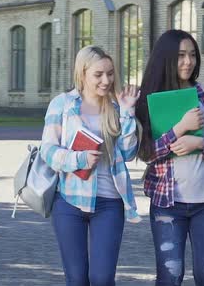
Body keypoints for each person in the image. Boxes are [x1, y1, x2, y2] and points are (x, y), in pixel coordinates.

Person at [135, 30, 204, 286]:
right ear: (166, 59)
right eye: (180, 56)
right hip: (168, 204)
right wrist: (179, 129)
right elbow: (146, 153)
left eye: (192, 55)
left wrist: (200, 143)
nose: (188, 62)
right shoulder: (151, 100)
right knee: (170, 277)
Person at [41, 45, 141, 286]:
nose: (106, 80)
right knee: (76, 279)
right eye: (98, 74)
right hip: (69, 201)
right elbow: (47, 150)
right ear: (82, 73)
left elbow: (128, 154)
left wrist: (128, 112)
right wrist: (79, 159)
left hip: (109, 202)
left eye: (110, 73)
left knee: (102, 279)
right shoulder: (62, 104)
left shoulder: (116, 107)